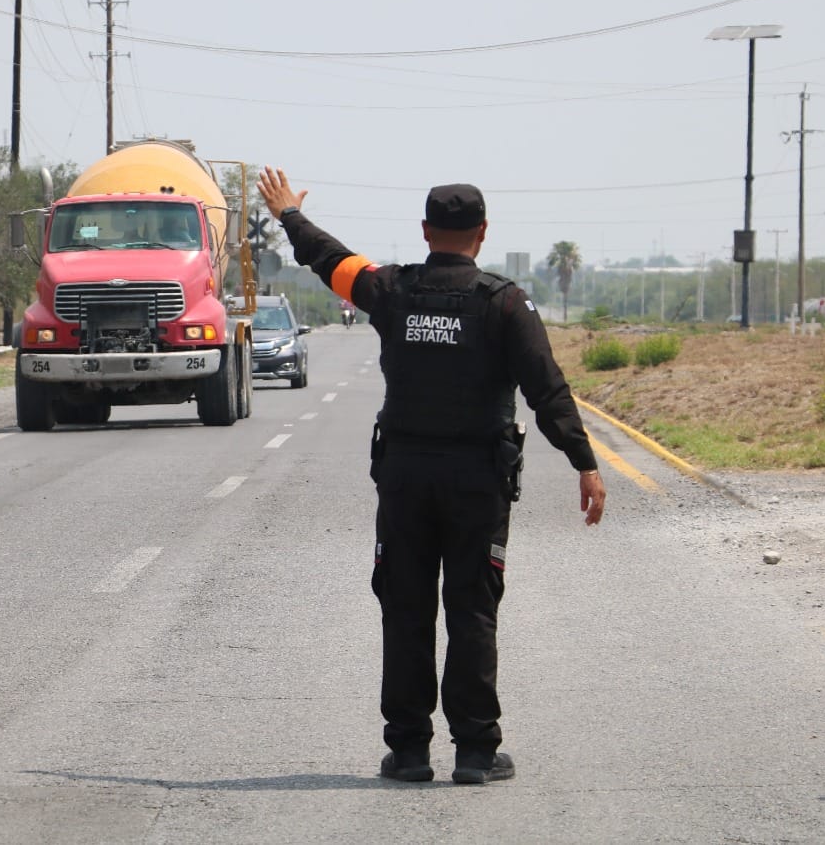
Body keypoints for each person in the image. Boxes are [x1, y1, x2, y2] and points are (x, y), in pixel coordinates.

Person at [255, 166, 606, 786]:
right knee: (472, 610)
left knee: (406, 608)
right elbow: (547, 389)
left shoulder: (391, 289)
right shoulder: (504, 302)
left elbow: (328, 259)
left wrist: (289, 215)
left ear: (425, 231)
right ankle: (475, 753)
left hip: (406, 479)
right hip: (478, 481)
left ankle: (410, 751)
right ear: (483, 232)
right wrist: (584, 462)